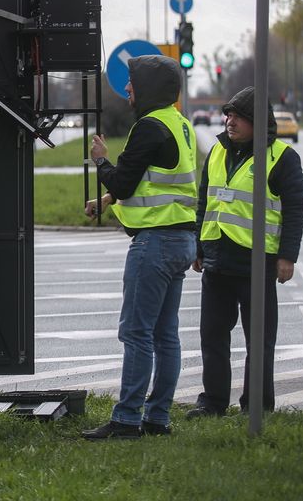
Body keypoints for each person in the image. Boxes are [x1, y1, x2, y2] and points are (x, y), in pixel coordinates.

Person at [81, 54, 198, 440]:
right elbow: (153, 180)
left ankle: (127, 419)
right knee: (166, 335)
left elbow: (127, 180)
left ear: (147, 87)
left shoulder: (149, 127)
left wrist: (100, 162)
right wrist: (106, 201)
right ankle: (157, 418)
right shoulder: (179, 125)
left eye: (132, 82)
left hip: (155, 243)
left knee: (136, 333)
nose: (128, 88)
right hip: (181, 239)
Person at [187, 87, 303, 418]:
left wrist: (287, 256)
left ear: (257, 122)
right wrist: (198, 246)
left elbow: (296, 210)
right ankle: (212, 403)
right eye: (228, 115)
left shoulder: (281, 158)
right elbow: (204, 203)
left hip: (257, 264)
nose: (230, 121)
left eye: (238, 116)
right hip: (216, 261)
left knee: (259, 343)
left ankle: (257, 406)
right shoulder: (216, 153)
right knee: (212, 339)